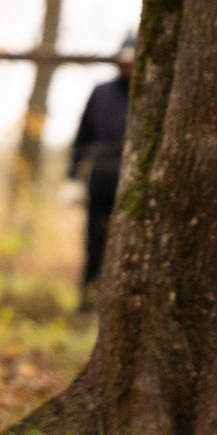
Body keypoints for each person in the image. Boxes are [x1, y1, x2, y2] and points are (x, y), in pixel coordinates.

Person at [70, 36, 134, 302]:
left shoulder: (146, 94)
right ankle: (88, 296)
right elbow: (82, 135)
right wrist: (72, 177)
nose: (126, 67)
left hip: (132, 183)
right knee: (95, 241)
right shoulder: (101, 93)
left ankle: (116, 298)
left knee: (126, 244)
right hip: (100, 180)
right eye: (123, 62)